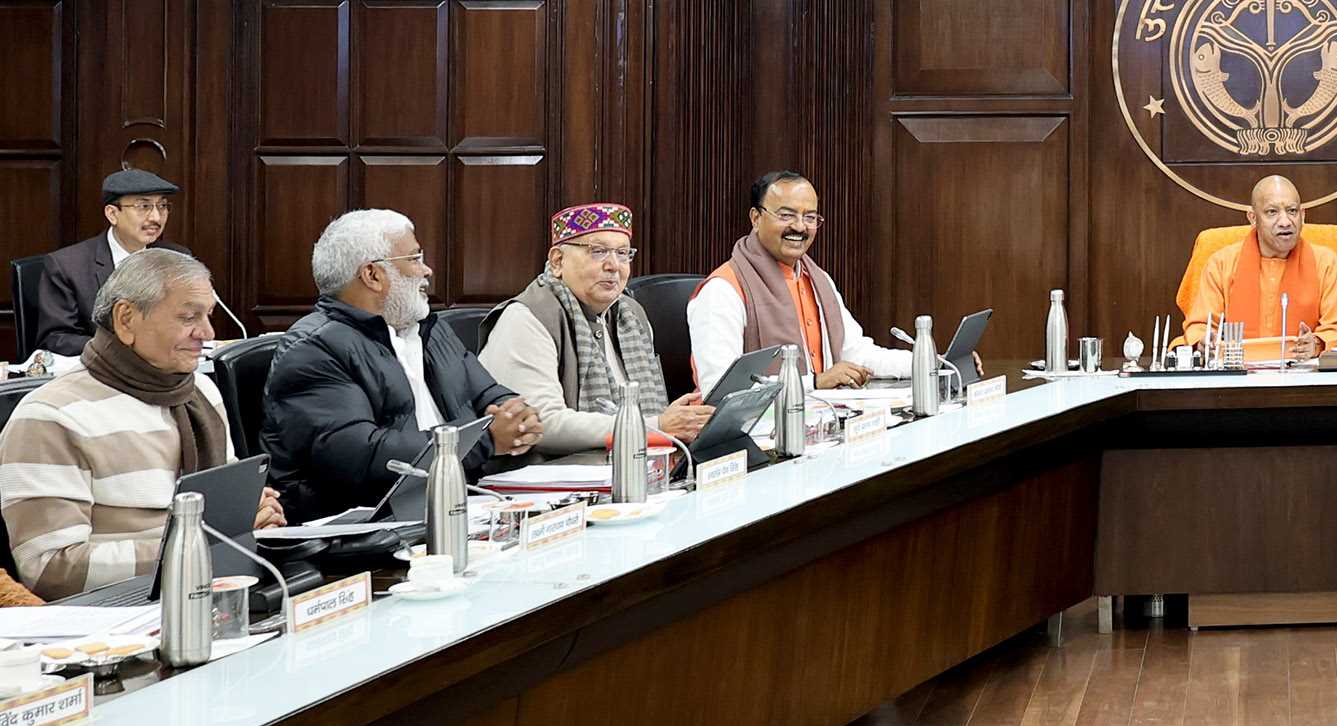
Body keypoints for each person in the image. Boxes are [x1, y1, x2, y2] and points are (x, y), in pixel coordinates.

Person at [0, 251, 284, 600]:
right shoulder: (49, 416)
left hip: (215, 596)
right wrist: (199, 544)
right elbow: (50, 570)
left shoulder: (201, 393)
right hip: (113, 623)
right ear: (126, 319)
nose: (207, 333)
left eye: (207, 316)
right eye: (188, 317)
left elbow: (223, 516)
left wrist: (251, 516)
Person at [263, 210, 543, 521]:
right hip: (370, 525)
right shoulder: (314, 349)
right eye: (414, 259)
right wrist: (486, 441)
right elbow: (361, 456)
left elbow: (488, 393)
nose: (427, 270)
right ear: (373, 275)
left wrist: (516, 416)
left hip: (459, 504)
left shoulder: (429, 329)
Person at [479, 203, 711, 457]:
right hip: (549, 477)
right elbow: (540, 423)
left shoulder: (631, 314)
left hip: (634, 464)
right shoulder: (525, 318)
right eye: (598, 251)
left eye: (623, 254)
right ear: (557, 261)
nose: (614, 266)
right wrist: (655, 427)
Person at [689, 172, 910, 396]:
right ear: (756, 218)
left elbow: (856, 354)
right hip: (750, 429)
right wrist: (814, 383)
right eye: (786, 215)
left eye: (810, 217)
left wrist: (927, 363)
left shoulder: (817, 279)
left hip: (820, 420)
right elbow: (720, 390)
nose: (800, 227)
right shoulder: (722, 290)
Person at [1181, 175, 1337, 361]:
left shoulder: (1326, 263)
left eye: (1292, 211)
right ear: (1253, 218)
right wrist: (1204, 342)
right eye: (1272, 212)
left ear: (1303, 215)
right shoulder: (1221, 264)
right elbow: (1200, 327)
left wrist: (1317, 343)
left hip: (1304, 374)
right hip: (1237, 373)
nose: (1285, 222)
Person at [24, 168, 193, 360]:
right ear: (112, 214)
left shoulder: (177, 258)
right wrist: (127, 348)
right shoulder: (67, 265)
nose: (156, 217)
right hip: (101, 375)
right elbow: (57, 339)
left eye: (162, 206)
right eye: (143, 207)